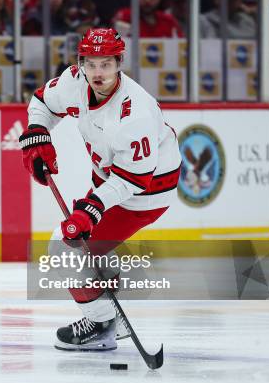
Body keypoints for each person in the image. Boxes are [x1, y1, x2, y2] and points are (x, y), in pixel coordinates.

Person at [19, 28, 181, 351]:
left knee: (62, 251)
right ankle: (107, 278)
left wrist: (91, 208)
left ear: (119, 63)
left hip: (147, 189)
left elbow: (134, 180)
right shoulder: (75, 82)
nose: (97, 73)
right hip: (110, 174)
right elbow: (43, 102)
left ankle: (104, 322)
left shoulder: (135, 113)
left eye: (106, 64)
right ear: (81, 63)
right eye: (90, 64)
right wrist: (38, 134)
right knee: (81, 243)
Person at [113, 0, 183, 37]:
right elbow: (114, 42)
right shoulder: (124, 16)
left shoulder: (168, 21)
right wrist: (118, 36)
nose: (147, 0)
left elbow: (181, 47)